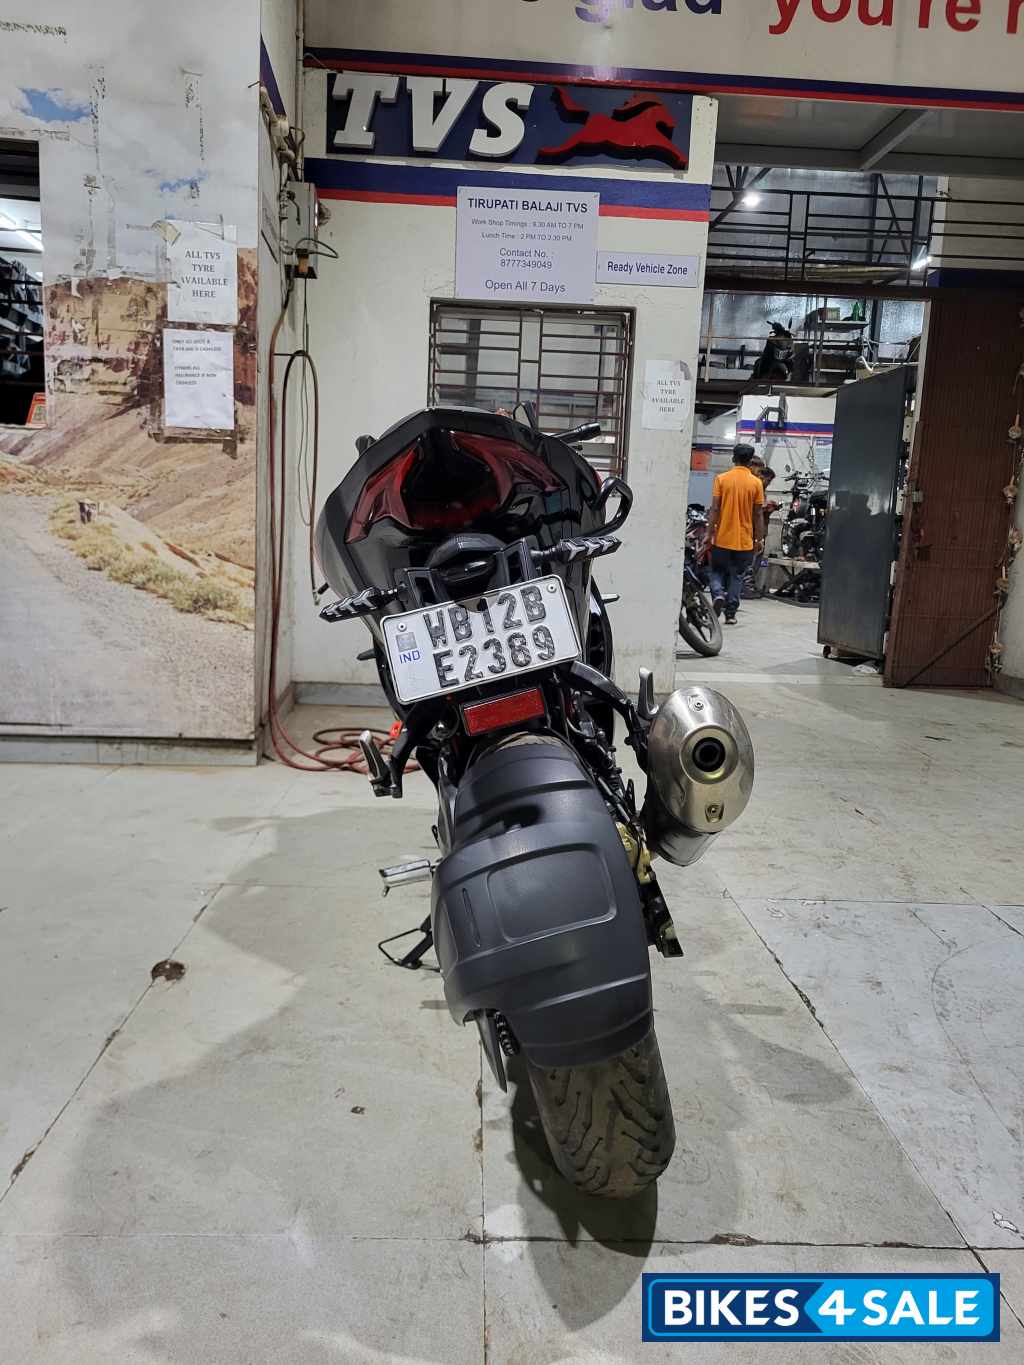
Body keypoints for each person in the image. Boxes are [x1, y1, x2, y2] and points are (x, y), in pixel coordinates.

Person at [706, 443, 765, 624]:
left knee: (716, 571)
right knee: (737, 576)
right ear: (750, 461)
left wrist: (709, 532)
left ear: (733, 458)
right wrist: (759, 538)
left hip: (723, 538)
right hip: (745, 541)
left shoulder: (721, 479)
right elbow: (758, 514)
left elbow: (715, 508)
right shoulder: (756, 483)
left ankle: (717, 594)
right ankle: (731, 614)